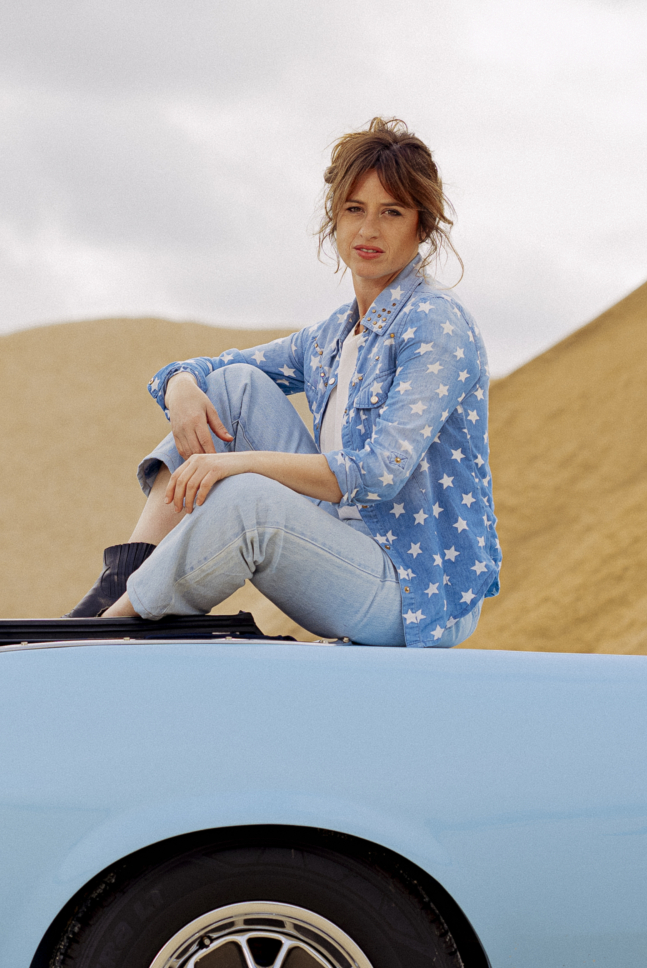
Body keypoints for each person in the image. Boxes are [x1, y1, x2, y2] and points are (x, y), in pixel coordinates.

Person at [65, 118, 498, 648]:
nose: (368, 230)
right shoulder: (334, 337)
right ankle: (121, 580)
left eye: (392, 212)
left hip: (413, 591)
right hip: (341, 542)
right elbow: (214, 372)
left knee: (248, 498)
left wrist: (238, 464)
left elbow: (378, 472)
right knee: (234, 387)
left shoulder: (435, 323)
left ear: (421, 226)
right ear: (334, 217)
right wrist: (179, 385)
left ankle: (103, 631)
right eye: (354, 209)